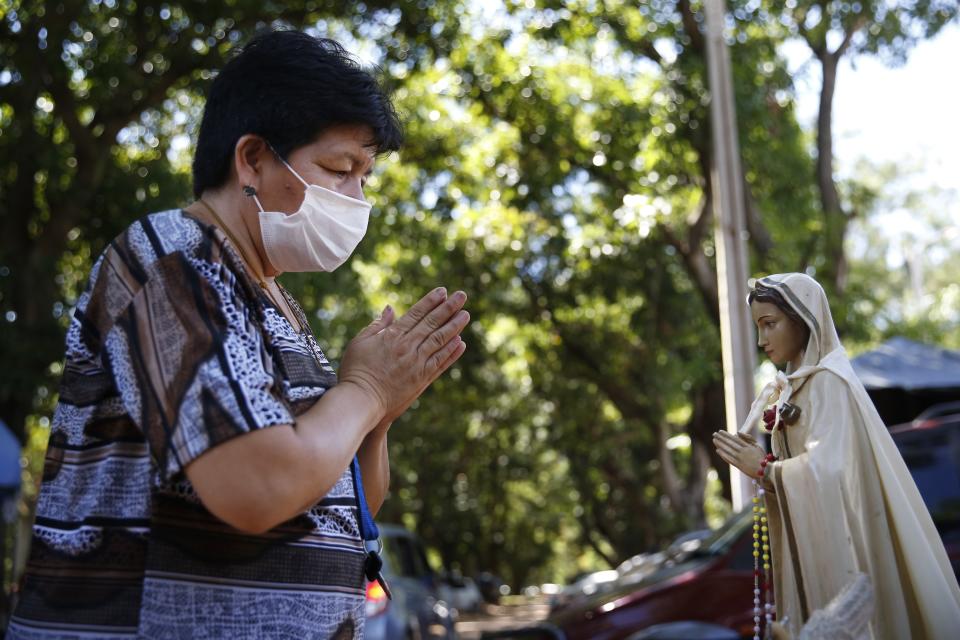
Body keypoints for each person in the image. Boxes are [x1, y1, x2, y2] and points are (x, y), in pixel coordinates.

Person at [8, 30, 469, 639]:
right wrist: (366, 390)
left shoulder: (275, 303)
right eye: (339, 169)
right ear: (251, 158)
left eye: (367, 177)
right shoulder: (174, 264)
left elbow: (343, 507)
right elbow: (259, 487)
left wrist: (379, 414)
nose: (357, 198)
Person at [713, 273, 960, 639]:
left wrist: (764, 469)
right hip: (822, 541)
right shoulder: (800, 386)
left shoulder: (830, 381)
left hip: (847, 546)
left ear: (803, 319)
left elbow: (828, 469)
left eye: (770, 325)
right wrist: (767, 467)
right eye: (758, 328)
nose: (762, 340)